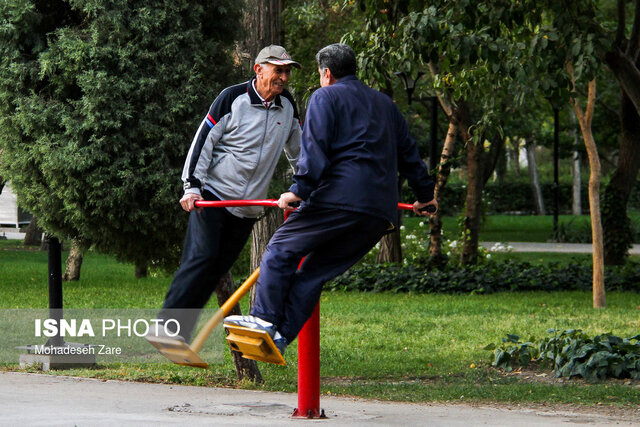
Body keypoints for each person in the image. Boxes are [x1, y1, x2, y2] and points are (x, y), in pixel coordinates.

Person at [224, 43, 437, 356]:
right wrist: (424, 197)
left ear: (326, 73)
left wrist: (299, 189)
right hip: (378, 214)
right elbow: (410, 155)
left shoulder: (325, 96)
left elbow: (316, 147)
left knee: (280, 250)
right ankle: (279, 338)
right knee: (312, 273)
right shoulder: (386, 105)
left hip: (337, 201)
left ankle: (263, 320)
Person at [158, 45, 302, 341]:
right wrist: (192, 186)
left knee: (217, 267)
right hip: (213, 195)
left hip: (247, 207)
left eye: (287, 71)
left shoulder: (287, 106)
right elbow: (203, 142)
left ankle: (177, 336)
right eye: (279, 70)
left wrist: (307, 186)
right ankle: (167, 329)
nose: (284, 77)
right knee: (201, 259)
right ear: (259, 69)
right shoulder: (232, 98)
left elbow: (300, 154)